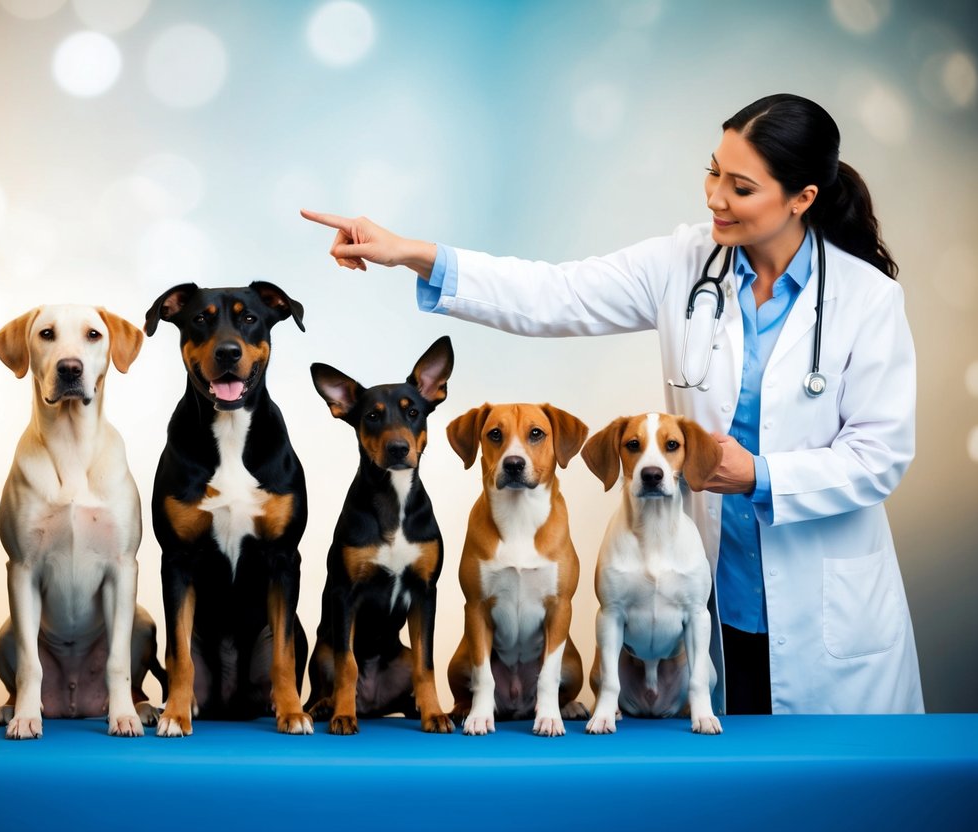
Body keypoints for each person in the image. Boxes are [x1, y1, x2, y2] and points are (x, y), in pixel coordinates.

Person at [301, 93, 924, 716]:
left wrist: (760, 476)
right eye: (713, 172)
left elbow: (879, 455)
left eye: (741, 187)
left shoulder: (866, 299)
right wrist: (410, 251)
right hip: (706, 597)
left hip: (825, 614)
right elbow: (554, 294)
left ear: (802, 198)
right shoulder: (682, 264)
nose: (714, 197)